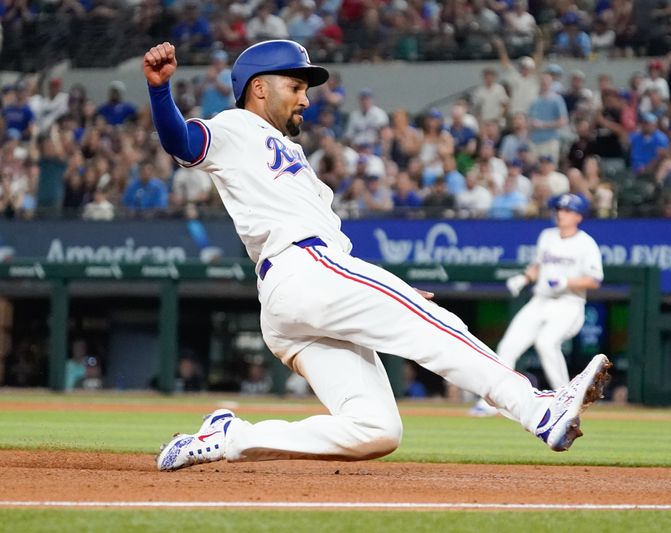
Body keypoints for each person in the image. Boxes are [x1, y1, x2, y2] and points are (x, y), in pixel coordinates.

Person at [144, 40, 610, 471]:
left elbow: (329, 248)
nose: (305, 99)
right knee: (434, 325)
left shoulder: (289, 152)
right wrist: (160, 91)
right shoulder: (236, 126)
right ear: (259, 89)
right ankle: (539, 409)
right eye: (296, 87)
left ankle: (229, 438)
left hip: (303, 291)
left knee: (376, 430)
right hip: (302, 271)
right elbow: (182, 143)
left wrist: (387, 289)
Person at [470, 193, 603, 417]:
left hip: (569, 303)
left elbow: (595, 280)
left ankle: (567, 399)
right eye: (559, 209)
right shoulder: (547, 236)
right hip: (540, 300)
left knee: (546, 343)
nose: (561, 213)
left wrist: (566, 282)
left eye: (567, 210)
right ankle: (492, 401)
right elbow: (538, 265)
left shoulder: (586, 243)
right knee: (507, 347)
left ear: (579, 216)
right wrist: (524, 278)